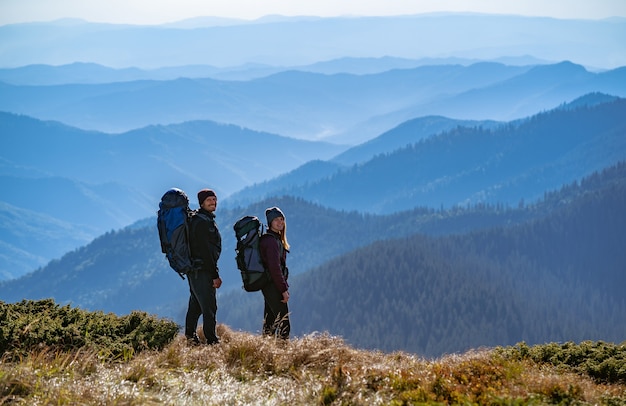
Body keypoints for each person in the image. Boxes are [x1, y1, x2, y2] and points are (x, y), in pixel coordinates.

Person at [185, 188, 222, 345]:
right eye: (209, 200)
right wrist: (215, 274)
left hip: (195, 270)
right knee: (209, 306)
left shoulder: (202, 219)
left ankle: (190, 337)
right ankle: (212, 340)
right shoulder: (201, 222)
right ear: (201, 203)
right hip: (202, 270)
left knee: (196, 305)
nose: (213, 202)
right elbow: (206, 251)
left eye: (214, 199)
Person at [259, 206, 291, 339]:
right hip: (273, 285)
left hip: (269, 284)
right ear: (270, 222)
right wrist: (283, 289)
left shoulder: (273, 239)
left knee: (270, 323)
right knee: (284, 324)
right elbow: (274, 268)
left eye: (282, 219)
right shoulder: (271, 241)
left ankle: (266, 353)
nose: (280, 222)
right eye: (276, 220)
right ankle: (283, 355)